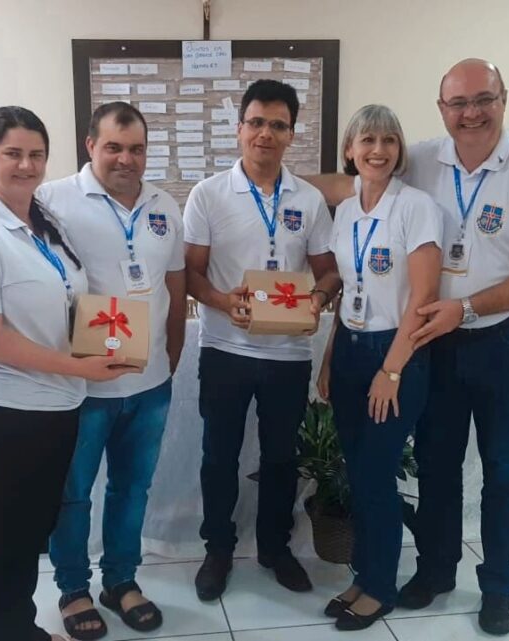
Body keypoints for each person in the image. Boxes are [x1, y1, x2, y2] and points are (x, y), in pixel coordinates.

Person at [306, 59, 509, 635]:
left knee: (505, 470)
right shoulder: (423, 160)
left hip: (503, 339)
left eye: (483, 99)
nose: (471, 113)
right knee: (436, 466)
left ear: (504, 99)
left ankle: (499, 585)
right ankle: (435, 571)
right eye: (458, 104)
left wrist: (471, 306)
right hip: (433, 344)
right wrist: (257, 175)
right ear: (441, 110)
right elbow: (349, 183)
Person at [0, 106, 137, 641]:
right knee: (11, 537)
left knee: (31, 531)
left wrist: (103, 344)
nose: (26, 165)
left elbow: (64, 302)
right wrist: (78, 366)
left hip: (55, 404)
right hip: (5, 408)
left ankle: (18, 626)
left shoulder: (43, 221)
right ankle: (3, 633)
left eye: (35, 155)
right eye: (12, 154)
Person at [184, 79, 341, 601]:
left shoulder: (310, 200)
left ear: (291, 133)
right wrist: (225, 301)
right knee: (218, 455)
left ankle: (275, 547)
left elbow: (328, 271)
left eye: (278, 125)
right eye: (256, 122)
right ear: (240, 128)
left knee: (280, 457)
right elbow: (192, 275)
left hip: (288, 355)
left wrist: (317, 299)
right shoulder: (208, 195)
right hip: (226, 348)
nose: (266, 134)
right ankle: (219, 548)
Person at [35, 102, 186, 639]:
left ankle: (120, 580)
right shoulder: (50, 200)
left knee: (132, 489)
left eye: (137, 148)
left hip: (149, 384)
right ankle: (73, 589)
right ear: (90, 145)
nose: (126, 158)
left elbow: (175, 286)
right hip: (82, 386)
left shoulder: (165, 204)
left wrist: (170, 360)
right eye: (114, 147)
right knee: (73, 493)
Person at [314, 104, 442, 631]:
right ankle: (364, 575)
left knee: (375, 476)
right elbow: (347, 290)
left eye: (389, 140)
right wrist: (329, 359)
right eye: (367, 140)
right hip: (350, 346)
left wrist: (390, 371)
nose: (378, 150)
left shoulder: (416, 207)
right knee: (357, 470)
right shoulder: (345, 212)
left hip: (399, 350)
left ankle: (382, 587)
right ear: (349, 150)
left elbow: (424, 296)